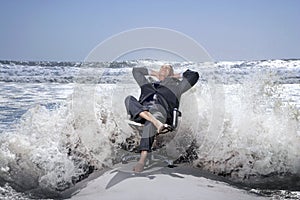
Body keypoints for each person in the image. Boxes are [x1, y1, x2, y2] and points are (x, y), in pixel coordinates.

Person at [125, 64, 199, 172]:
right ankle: (155, 122)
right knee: (129, 99)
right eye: (162, 67)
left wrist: (175, 76)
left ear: (171, 72)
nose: (164, 68)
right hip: (141, 112)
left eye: (167, 68)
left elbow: (194, 75)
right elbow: (136, 71)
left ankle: (142, 160)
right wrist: (155, 73)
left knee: (150, 121)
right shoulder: (147, 84)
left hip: (160, 112)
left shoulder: (177, 87)